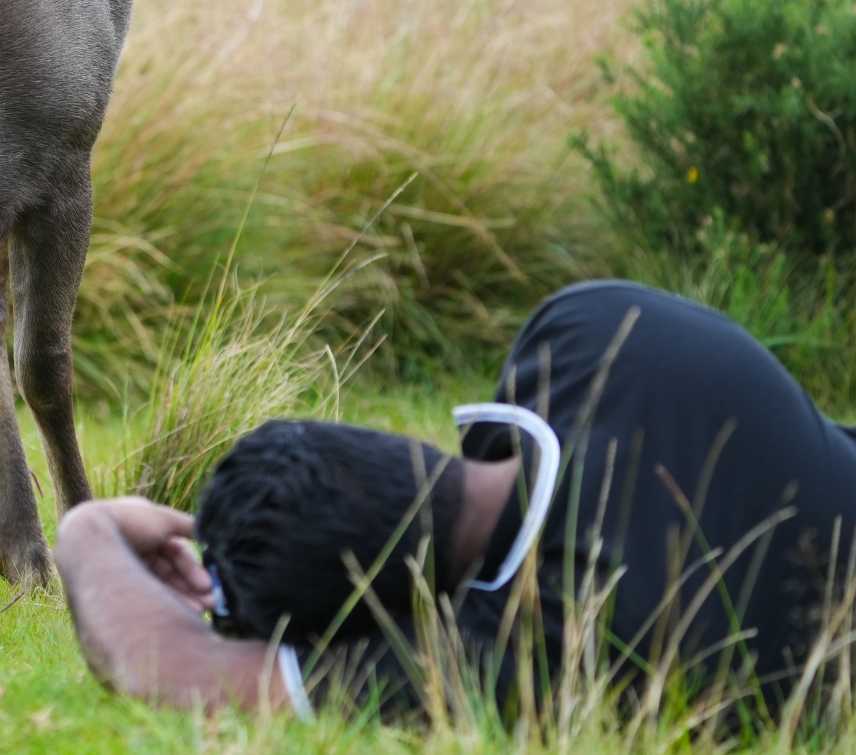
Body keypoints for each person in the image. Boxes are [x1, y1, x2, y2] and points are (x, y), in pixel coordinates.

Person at [55, 280, 856, 721]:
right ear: (366, 440)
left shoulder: (538, 652)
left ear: (386, 616)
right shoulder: (591, 331)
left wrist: (86, 527)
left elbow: (167, 665)